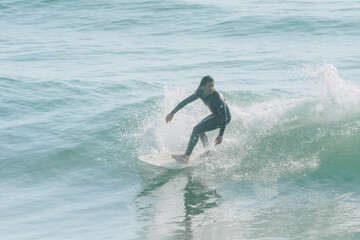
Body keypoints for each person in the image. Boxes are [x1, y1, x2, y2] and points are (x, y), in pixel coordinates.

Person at [165, 75, 231, 163]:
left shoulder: (217, 97)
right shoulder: (200, 93)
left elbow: (224, 117)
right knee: (200, 129)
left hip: (224, 118)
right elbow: (186, 101)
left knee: (196, 129)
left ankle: (186, 157)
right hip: (216, 115)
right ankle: (207, 150)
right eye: (209, 86)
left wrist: (220, 135)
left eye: (212, 86)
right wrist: (172, 113)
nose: (211, 88)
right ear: (203, 86)